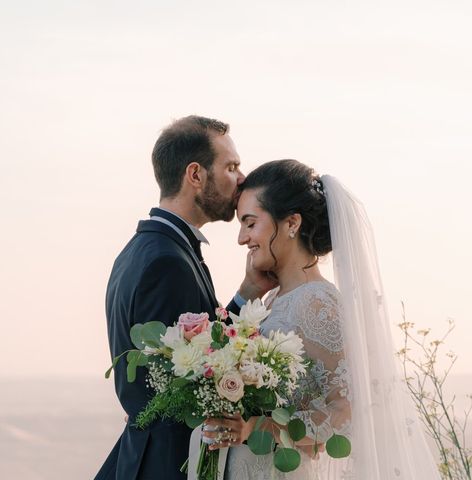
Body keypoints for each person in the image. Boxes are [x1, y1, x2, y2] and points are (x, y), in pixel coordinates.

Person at [203, 159, 441, 479]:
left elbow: (348, 411)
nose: (242, 239)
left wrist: (261, 427)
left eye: (250, 223)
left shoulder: (318, 303)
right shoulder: (274, 299)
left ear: (291, 223)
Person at [95, 116, 275, 480]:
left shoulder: (147, 250)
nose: (241, 179)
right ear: (195, 175)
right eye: (231, 166)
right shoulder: (167, 262)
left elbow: (196, 350)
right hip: (167, 466)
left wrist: (246, 294)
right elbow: (187, 385)